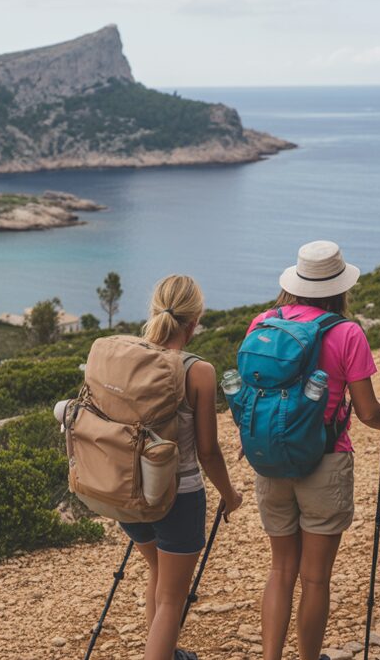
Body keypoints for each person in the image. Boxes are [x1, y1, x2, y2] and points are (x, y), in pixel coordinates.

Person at [247, 241, 380, 660]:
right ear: (338, 287)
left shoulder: (263, 322)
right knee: (315, 579)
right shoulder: (346, 332)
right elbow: (367, 412)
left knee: (280, 570)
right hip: (325, 460)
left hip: (271, 458)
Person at [118, 275, 243, 660]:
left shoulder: (128, 356)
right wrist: (230, 494)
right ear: (196, 319)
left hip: (127, 491)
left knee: (159, 573)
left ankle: (167, 652)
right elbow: (207, 452)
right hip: (177, 495)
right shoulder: (198, 371)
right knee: (172, 600)